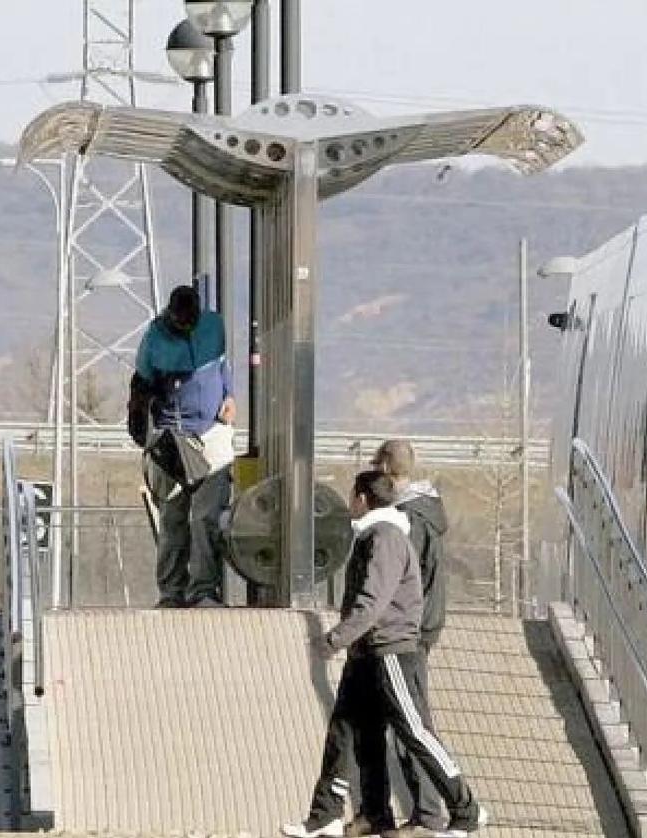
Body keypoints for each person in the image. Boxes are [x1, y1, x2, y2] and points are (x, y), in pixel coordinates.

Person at [282, 470, 485, 838]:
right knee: (349, 732)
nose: (350, 504)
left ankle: (466, 810)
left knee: (415, 732)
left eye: (352, 495)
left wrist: (334, 639)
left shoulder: (386, 538)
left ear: (362, 498)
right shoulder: (375, 536)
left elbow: (372, 602)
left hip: (390, 650)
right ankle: (342, 814)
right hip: (367, 653)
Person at [127, 284, 235, 608]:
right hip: (171, 437)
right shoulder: (155, 341)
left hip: (212, 433)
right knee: (173, 518)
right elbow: (140, 387)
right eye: (180, 322)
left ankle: (204, 589)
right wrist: (143, 432)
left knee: (207, 517)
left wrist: (229, 394)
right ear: (170, 317)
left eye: (191, 321)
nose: (186, 326)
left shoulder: (214, 327)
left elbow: (222, 365)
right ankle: (172, 592)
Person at [371, 440, 449, 834]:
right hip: (419, 627)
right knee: (402, 716)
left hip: (408, 632)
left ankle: (431, 813)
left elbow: (399, 580)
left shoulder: (407, 521)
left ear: (385, 468)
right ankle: (385, 811)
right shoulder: (425, 513)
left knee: (410, 721)